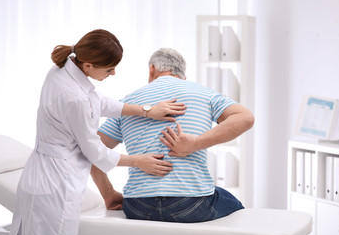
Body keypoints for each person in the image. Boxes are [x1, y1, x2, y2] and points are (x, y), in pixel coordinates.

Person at [9, 31, 186, 235]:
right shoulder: (73, 97)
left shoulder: (64, 69)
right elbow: (96, 152)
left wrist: (146, 110)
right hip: (55, 184)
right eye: (110, 69)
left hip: (38, 176)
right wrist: (139, 161)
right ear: (88, 66)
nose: (113, 74)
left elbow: (98, 102)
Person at [91, 47, 254, 223]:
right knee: (234, 206)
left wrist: (108, 194)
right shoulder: (203, 94)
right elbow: (245, 117)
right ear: (184, 76)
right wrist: (196, 143)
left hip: (137, 205)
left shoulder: (127, 103)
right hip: (191, 204)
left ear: (151, 69)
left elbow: (93, 151)